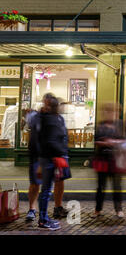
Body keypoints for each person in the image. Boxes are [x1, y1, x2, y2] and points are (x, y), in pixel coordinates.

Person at [25, 94, 70, 223]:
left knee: (58, 181)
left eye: (48, 104)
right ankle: (33, 210)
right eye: (45, 104)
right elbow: (36, 135)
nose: (46, 107)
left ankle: (57, 207)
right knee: (36, 183)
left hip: (56, 156)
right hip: (39, 155)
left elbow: (62, 135)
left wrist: (64, 152)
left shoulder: (59, 118)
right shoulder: (38, 117)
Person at [37, 95, 70, 230]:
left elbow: (61, 137)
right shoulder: (47, 119)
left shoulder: (56, 119)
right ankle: (43, 220)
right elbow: (49, 141)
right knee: (46, 190)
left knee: (48, 189)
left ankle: (45, 217)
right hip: (51, 158)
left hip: (54, 158)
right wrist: (60, 153)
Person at [91, 103, 124, 218]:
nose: (110, 114)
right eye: (108, 111)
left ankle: (118, 209)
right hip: (102, 159)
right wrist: (105, 143)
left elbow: (125, 140)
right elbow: (96, 141)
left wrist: (114, 142)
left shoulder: (120, 124)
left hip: (115, 159)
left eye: (113, 111)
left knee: (117, 186)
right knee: (101, 186)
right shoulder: (100, 125)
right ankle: (98, 209)